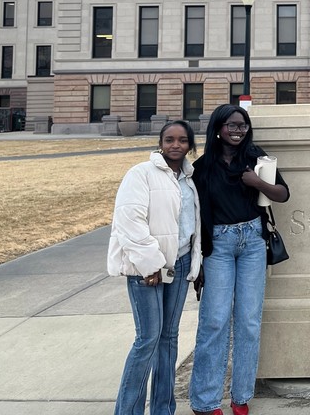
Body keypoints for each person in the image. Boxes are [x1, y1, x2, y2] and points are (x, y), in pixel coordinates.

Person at [189, 104, 290, 415]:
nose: (237, 130)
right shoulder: (203, 167)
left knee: (248, 321)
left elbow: (283, 193)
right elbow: (195, 216)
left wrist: (257, 182)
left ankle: (241, 397)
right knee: (215, 320)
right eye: (231, 125)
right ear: (219, 128)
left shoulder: (257, 158)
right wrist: (200, 260)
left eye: (242, 125)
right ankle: (205, 402)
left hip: (252, 244)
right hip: (217, 244)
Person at [107, 120, 202, 415]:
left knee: (169, 339)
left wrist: (196, 265)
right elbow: (129, 222)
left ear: (190, 145)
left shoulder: (189, 179)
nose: (176, 145)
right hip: (147, 269)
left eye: (182, 140)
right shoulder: (141, 174)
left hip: (181, 262)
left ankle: (163, 409)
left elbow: (192, 225)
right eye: (169, 139)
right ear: (160, 143)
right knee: (147, 338)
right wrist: (150, 264)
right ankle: (128, 411)